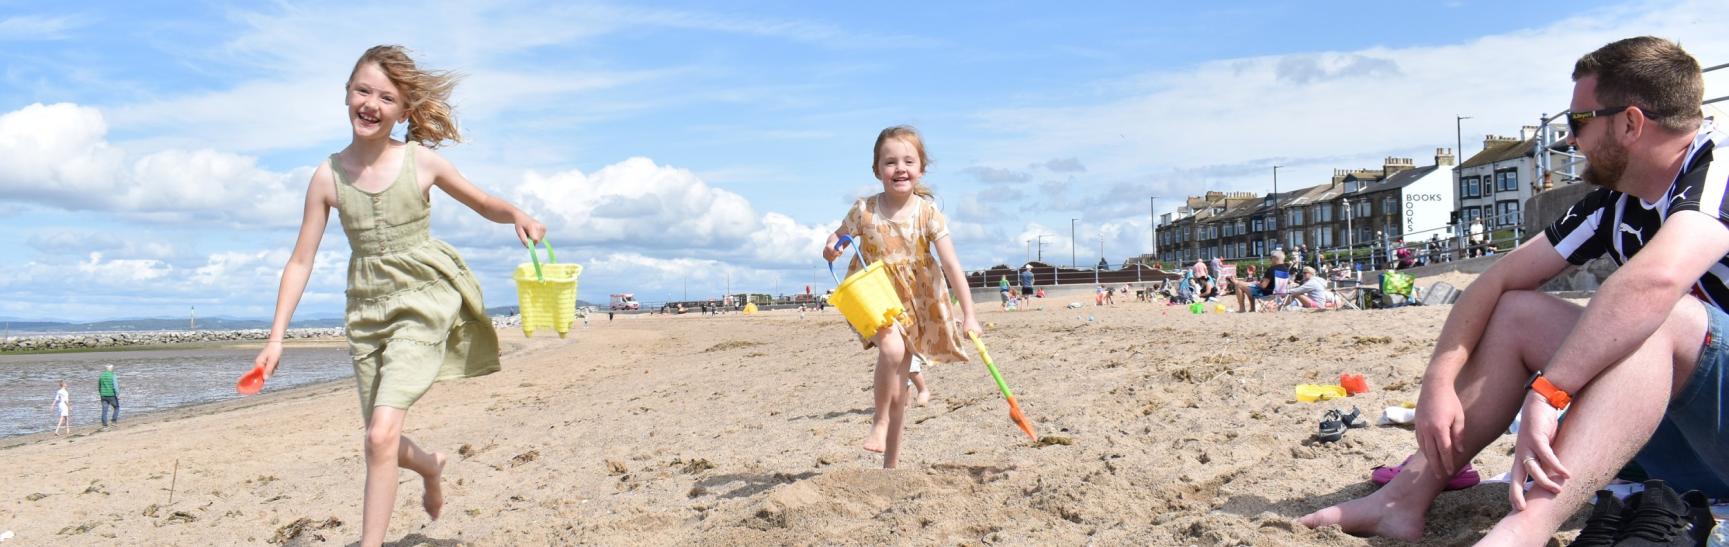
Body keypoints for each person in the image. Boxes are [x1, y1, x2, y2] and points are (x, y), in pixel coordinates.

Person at [1302, 36, 1728, 544]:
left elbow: (1653, 282)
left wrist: (1550, 393)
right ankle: (1404, 497)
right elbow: (1498, 279)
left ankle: (1526, 528)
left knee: (1666, 314)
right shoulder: (1614, 203)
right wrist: (1439, 380)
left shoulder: (1716, 171)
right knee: (1517, 314)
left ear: (1631, 123)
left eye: (1579, 122)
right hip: (1679, 444)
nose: (1572, 141)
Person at [250, 45, 547, 547]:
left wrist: (518, 214)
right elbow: (301, 259)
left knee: (380, 436)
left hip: (421, 302)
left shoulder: (420, 162)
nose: (371, 103)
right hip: (366, 312)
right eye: (362, 90)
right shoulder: (328, 176)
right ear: (346, 93)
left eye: (386, 98)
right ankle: (430, 465)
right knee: (378, 440)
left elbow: (482, 201)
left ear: (404, 112)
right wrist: (276, 338)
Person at [823, 125, 980, 468]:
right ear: (877, 169)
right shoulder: (863, 210)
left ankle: (890, 466)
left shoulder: (927, 213)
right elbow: (835, 239)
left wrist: (969, 314)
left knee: (901, 391)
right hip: (875, 296)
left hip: (916, 304)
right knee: (892, 349)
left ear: (921, 168)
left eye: (909, 161)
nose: (900, 168)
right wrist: (832, 248)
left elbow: (952, 265)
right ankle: (878, 422)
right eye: (890, 162)